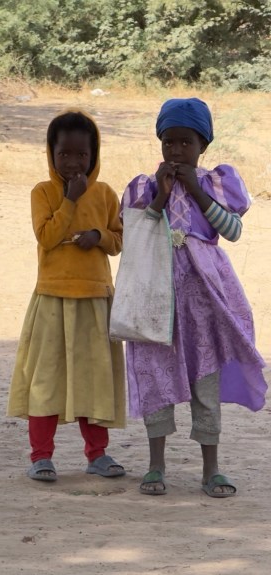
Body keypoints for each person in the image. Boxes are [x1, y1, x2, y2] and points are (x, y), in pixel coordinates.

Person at [122, 98, 267, 498]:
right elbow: (135, 236)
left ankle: (211, 469)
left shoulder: (216, 183)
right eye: (168, 142)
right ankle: (155, 466)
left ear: (203, 145)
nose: (176, 150)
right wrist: (161, 196)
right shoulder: (146, 187)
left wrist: (196, 192)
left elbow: (232, 231)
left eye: (186, 142)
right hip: (157, 299)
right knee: (156, 375)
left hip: (206, 302)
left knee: (206, 380)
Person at [7, 111, 127, 483]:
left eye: (81, 155)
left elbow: (119, 240)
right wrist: (70, 201)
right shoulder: (43, 192)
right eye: (64, 154)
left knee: (95, 379)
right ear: (51, 153)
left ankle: (98, 454)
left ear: (94, 155)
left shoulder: (105, 194)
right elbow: (46, 236)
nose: (73, 163)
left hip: (94, 299)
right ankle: (41, 457)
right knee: (46, 379)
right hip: (52, 298)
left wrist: (99, 236)